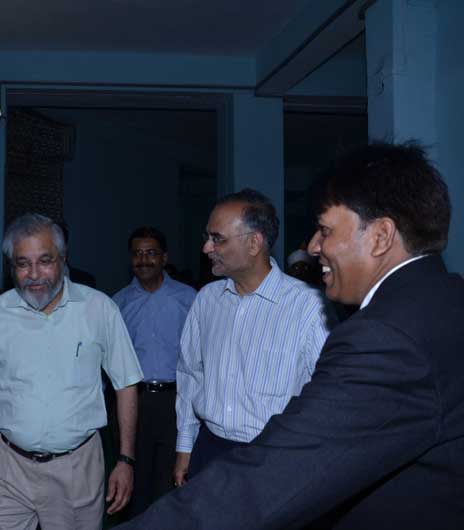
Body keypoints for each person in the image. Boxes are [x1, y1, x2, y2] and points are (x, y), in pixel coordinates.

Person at [116, 141, 464, 529]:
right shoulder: (444, 300)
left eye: (325, 230)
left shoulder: (386, 338)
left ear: (381, 236)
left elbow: (276, 475)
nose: (313, 247)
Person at [0, 213, 143, 530]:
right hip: (7, 469)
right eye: (23, 264)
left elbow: (126, 385)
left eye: (45, 261)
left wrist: (125, 460)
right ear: (11, 267)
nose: (34, 274)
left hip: (77, 471)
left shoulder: (99, 309)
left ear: (63, 259)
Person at [173, 189, 333, 486]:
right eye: (208, 237)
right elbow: (190, 375)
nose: (206, 248)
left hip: (273, 457)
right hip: (209, 450)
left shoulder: (307, 306)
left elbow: (325, 395)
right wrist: (185, 447)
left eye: (218, 238)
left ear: (254, 243)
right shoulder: (207, 299)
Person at [113, 226, 196, 514]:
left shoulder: (189, 298)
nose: (144, 260)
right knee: (134, 482)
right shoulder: (118, 303)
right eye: (137, 254)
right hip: (134, 402)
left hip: (177, 401)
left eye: (151, 253)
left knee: (170, 482)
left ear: (164, 258)